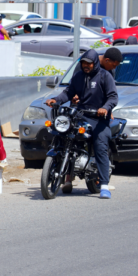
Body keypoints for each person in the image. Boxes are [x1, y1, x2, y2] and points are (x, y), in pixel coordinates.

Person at [45, 49, 118, 199]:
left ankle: (104, 185)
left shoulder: (105, 76)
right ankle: (66, 176)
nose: (86, 65)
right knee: (65, 135)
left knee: (100, 145)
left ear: (95, 63)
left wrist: (105, 108)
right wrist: (56, 100)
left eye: (89, 63)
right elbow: (68, 92)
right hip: (81, 114)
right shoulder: (78, 76)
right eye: (84, 63)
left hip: (99, 118)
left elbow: (113, 97)